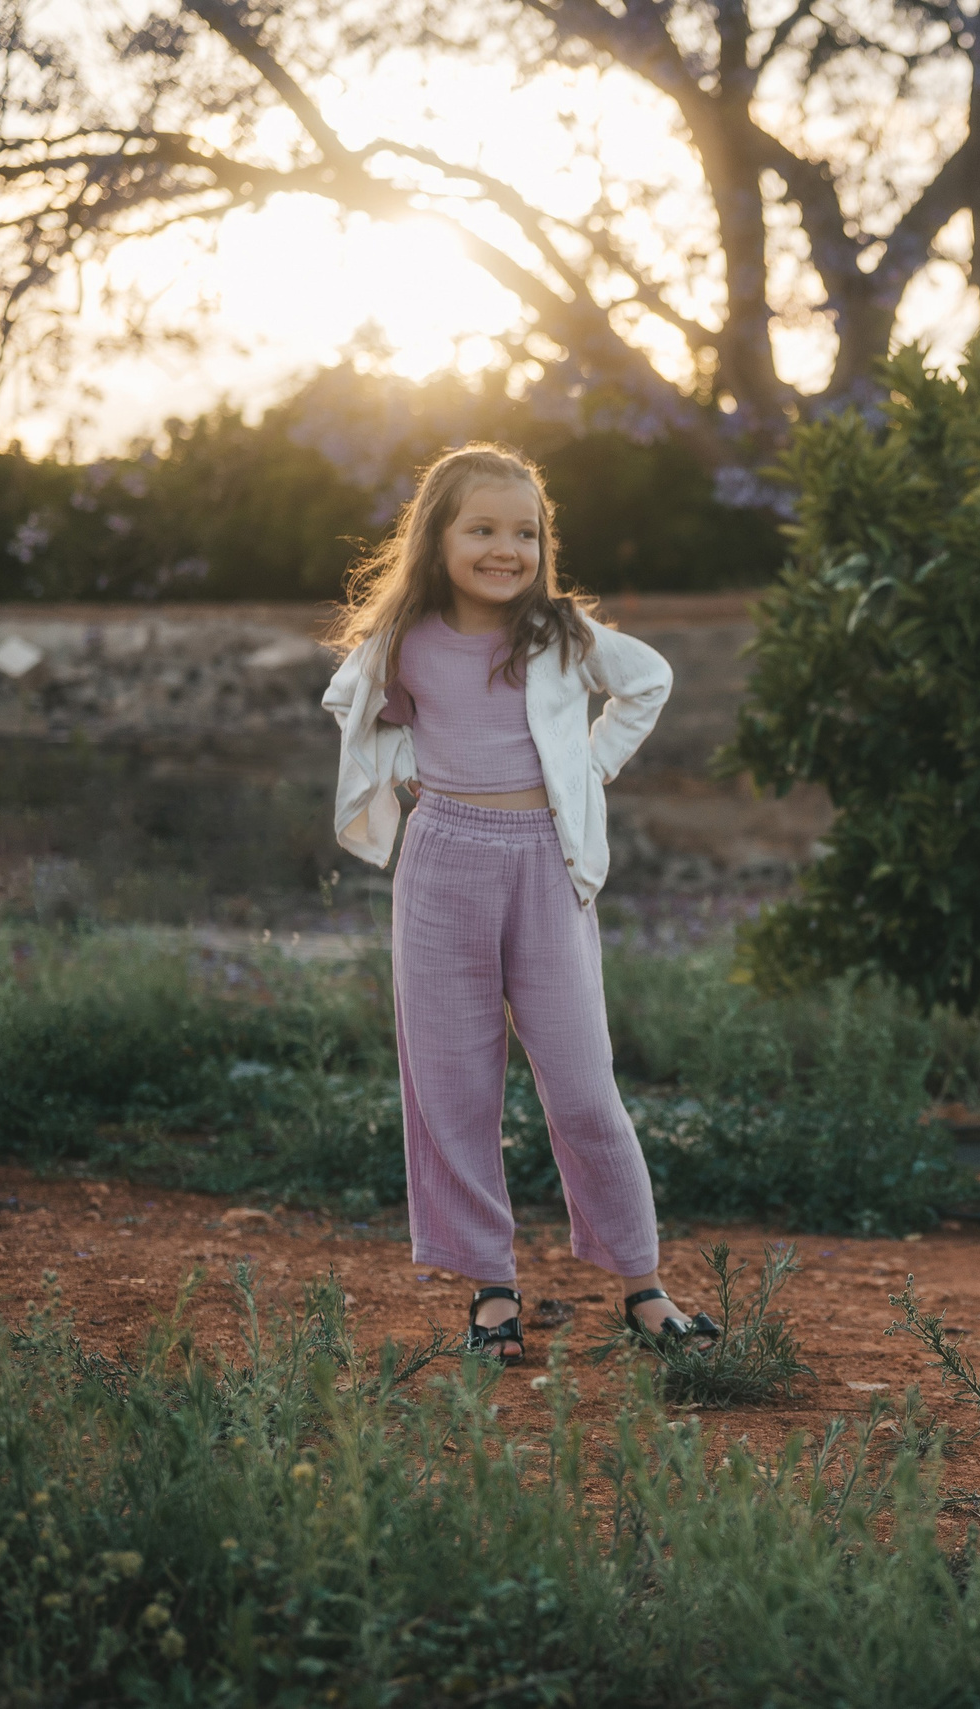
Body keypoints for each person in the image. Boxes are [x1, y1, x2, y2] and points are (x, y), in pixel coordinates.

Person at [322, 442, 716, 1366]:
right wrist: (402, 760)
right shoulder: (404, 639)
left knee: (582, 1085)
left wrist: (588, 768)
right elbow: (352, 702)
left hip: (544, 860)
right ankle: (491, 1288)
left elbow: (648, 680)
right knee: (451, 1081)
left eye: (525, 532)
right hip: (443, 860)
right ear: (438, 537)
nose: (506, 548)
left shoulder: (561, 634)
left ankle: (642, 1283)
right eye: (483, 529)